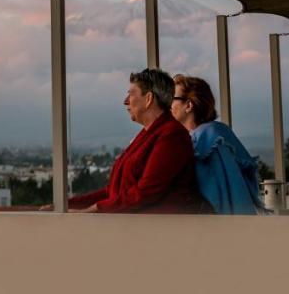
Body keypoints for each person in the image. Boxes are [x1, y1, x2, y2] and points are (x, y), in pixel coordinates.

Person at [67, 68, 211, 213]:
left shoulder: (172, 135)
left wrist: (95, 209)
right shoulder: (148, 134)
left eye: (131, 94)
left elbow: (146, 192)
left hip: (159, 231)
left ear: (148, 99)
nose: (125, 101)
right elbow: (113, 193)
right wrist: (67, 205)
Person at [170, 75, 264, 214]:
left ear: (189, 105)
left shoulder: (208, 140)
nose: (167, 104)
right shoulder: (210, 135)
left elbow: (222, 196)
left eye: (172, 98)